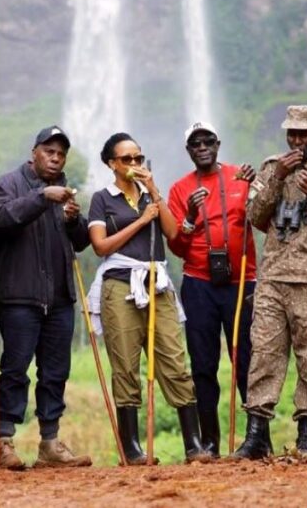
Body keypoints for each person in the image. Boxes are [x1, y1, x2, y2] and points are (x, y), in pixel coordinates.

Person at [233, 105, 307, 460]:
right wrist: (275, 180)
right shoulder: (273, 167)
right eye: (292, 133)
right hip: (272, 277)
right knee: (264, 354)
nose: (297, 140)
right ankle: (257, 434)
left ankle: (306, 437)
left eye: (304, 134)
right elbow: (254, 217)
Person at [86, 132, 211, 465]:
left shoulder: (150, 196)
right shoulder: (102, 198)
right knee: (126, 364)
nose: (134, 164)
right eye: (126, 159)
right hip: (119, 283)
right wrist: (141, 221)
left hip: (158, 282)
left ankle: (193, 444)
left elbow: (172, 234)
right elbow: (100, 246)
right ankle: (131, 448)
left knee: (174, 357)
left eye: (138, 158)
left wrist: (153, 192)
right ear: (112, 164)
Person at [0, 126, 92, 470]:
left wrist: (74, 221)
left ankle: (49, 443)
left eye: (61, 153)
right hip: (19, 296)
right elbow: (2, 220)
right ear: (34, 152)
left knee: (55, 372)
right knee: (15, 370)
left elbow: (79, 242)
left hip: (60, 297)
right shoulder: (6, 185)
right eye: (49, 151)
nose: (55, 158)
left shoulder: (65, 192)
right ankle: (4, 441)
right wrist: (43, 196)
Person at [166, 122, 257, 458]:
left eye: (207, 141)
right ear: (188, 150)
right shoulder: (179, 189)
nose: (202, 147)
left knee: (246, 360)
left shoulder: (240, 177)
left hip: (242, 281)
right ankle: (211, 443)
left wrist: (256, 185)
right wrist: (190, 214)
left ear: (218, 144)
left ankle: (256, 439)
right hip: (199, 283)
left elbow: (261, 219)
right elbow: (176, 245)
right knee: (203, 364)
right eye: (194, 143)